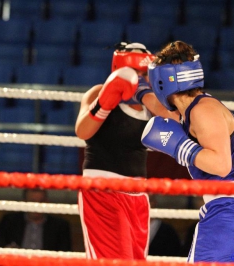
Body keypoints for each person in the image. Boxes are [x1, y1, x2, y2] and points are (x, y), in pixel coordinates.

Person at [141, 40, 234, 263]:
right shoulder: (191, 111)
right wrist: (138, 89)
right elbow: (160, 110)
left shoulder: (203, 111)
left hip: (232, 211)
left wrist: (181, 147)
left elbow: (221, 165)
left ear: (162, 79)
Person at [75, 42, 178, 260]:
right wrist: (106, 100)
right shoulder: (97, 92)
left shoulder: (152, 103)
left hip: (138, 196)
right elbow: (82, 131)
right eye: (135, 72)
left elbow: (179, 124)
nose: (140, 78)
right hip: (103, 191)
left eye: (144, 73)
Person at [0, 189, 72, 251]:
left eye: (41, 201)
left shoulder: (60, 226)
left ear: (47, 202)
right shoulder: (10, 221)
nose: (37, 206)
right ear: (24, 202)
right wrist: (9, 250)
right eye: (33, 201)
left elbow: (65, 255)